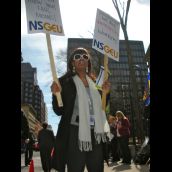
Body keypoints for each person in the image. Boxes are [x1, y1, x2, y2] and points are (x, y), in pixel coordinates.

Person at [51, 47, 110, 172]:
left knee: (97, 168)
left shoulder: (96, 83)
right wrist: (56, 95)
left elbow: (103, 108)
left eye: (84, 56)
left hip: (95, 132)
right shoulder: (64, 82)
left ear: (88, 61)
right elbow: (58, 111)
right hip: (74, 132)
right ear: (72, 62)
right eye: (77, 56)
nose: (81, 58)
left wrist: (106, 93)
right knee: (75, 168)